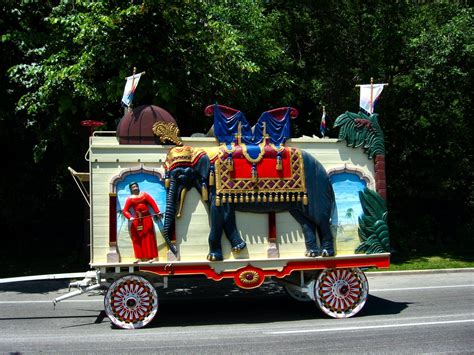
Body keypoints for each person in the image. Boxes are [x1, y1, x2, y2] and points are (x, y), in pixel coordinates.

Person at [122, 182, 161, 262]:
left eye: (136, 186)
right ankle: (139, 257)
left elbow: (152, 202)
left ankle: (153, 257)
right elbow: (125, 210)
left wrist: (157, 211)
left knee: (149, 237)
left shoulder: (144, 195)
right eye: (133, 187)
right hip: (137, 220)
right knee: (138, 238)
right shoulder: (130, 198)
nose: (135, 188)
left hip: (146, 218)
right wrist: (130, 217)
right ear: (131, 189)